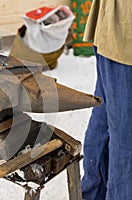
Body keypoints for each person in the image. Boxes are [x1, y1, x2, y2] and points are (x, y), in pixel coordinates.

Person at [82, 1, 132, 199]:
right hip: (124, 34)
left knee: (106, 120)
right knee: (126, 135)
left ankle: (92, 194)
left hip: (113, 30)